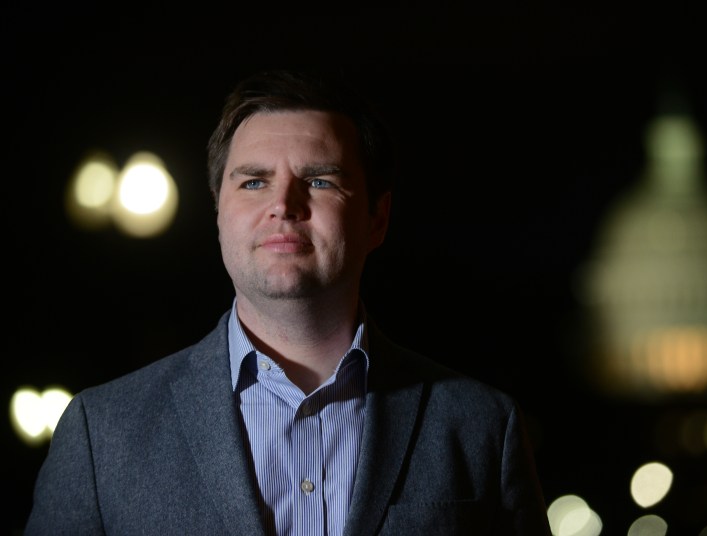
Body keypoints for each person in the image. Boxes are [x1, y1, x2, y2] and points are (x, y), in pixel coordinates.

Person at [25, 68, 552, 535]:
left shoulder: (481, 425)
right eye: (254, 182)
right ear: (218, 214)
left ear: (377, 218)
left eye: (320, 181)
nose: (283, 205)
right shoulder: (103, 433)